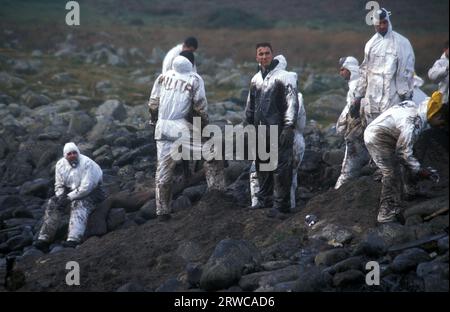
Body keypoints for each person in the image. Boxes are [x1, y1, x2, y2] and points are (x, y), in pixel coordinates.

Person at [149, 52, 223, 221]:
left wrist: (154, 121)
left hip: (162, 128)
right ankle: (216, 195)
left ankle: (162, 211)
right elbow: (200, 108)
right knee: (211, 152)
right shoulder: (194, 79)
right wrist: (203, 129)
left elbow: (153, 103)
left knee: (163, 170)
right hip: (180, 127)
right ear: (192, 63)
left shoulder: (163, 77)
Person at [364, 92, 448, 223]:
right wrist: (420, 171)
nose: (440, 126)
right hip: (377, 138)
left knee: (411, 157)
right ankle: (386, 212)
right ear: (436, 115)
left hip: (389, 132)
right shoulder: (414, 122)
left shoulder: (421, 108)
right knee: (391, 173)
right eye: (441, 122)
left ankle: (410, 190)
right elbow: (403, 153)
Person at [245, 43, 299, 217]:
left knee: (282, 169)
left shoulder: (285, 77)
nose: (264, 56)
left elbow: (292, 102)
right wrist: (247, 123)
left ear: (272, 55)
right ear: (256, 57)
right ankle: (264, 199)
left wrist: (289, 127)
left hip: (279, 129)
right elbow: (251, 104)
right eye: (260, 53)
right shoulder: (255, 79)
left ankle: (281, 205)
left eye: (267, 53)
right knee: (262, 166)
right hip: (261, 130)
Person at [33, 142, 105, 251]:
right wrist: (61, 197)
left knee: (79, 204)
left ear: (78, 153)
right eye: (69, 154)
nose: (72, 155)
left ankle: (73, 239)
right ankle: (44, 238)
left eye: (74, 153)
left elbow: (86, 187)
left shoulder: (87, 164)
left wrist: (68, 198)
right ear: (65, 156)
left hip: (93, 193)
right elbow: (59, 185)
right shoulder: (60, 165)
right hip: (70, 191)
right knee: (53, 203)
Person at [352, 8, 415, 127]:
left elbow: (407, 71)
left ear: (388, 21)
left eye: (384, 22)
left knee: (390, 128)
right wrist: (358, 96)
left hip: (393, 95)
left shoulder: (401, 43)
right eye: (378, 23)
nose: (381, 26)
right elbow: (365, 70)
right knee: (372, 130)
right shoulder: (370, 44)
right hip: (372, 96)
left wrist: (406, 96)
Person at [335, 56, 369, 189]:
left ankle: (340, 191)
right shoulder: (353, 85)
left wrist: (342, 124)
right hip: (352, 132)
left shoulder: (357, 85)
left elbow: (354, 109)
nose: (341, 72)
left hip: (357, 133)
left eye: (343, 69)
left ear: (350, 69)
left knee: (349, 167)